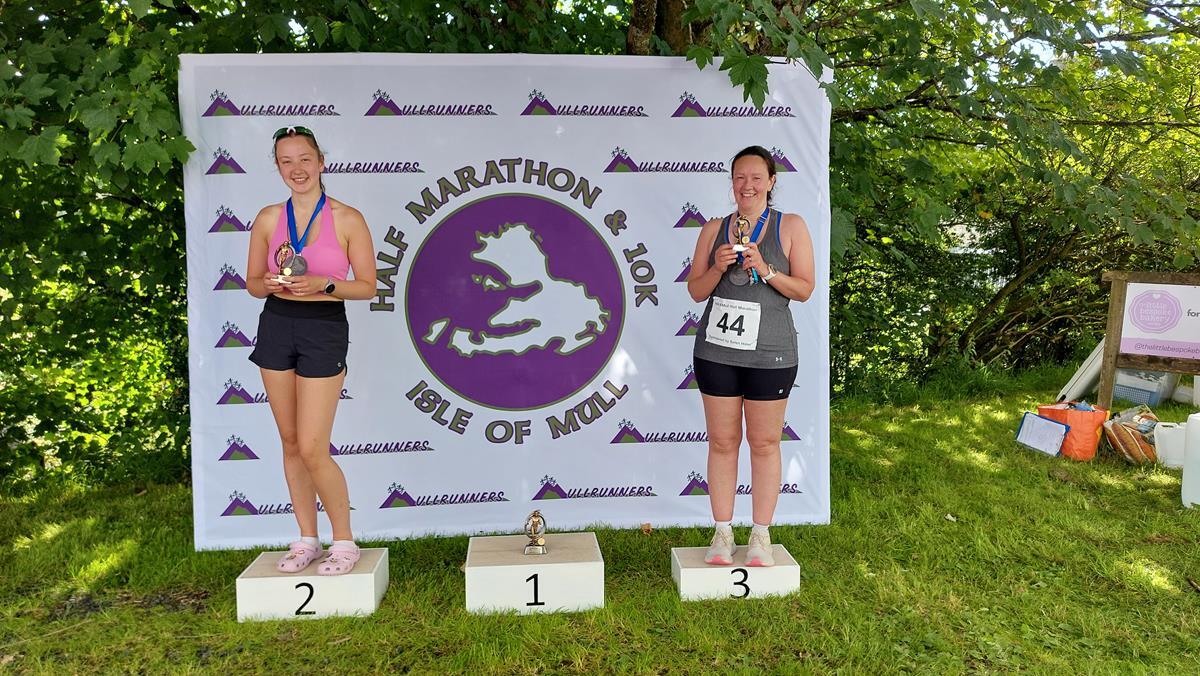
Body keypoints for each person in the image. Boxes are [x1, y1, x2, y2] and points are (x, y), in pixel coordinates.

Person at [245, 126, 377, 575]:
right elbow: (251, 284)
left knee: (314, 445)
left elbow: (367, 287)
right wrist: (270, 283)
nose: (296, 169)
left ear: (321, 162)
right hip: (277, 325)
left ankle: (344, 542)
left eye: (305, 159)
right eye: (286, 161)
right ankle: (306, 539)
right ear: (277, 167)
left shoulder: (347, 218)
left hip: (324, 328)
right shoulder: (267, 219)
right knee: (289, 442)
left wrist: (323, 283)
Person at [686, 145, 816, 567]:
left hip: (772, 354)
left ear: (771, 182)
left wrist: (767, 267)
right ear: (732, 183)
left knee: (764, 443)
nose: (748, 185)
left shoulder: (791, 226)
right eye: (740, 178)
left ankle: (760, 536)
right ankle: (722, 532)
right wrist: (718, 267)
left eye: (756, 177)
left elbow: (805, 289)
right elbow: (696, 291)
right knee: (723, 442)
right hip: (718, 352)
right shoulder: (713, 229)